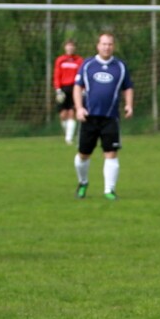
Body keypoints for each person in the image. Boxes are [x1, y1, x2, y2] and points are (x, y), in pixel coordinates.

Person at [72, 32, 134, 201]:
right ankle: (83, 182)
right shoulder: (88, 65)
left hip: (110, 117)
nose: (107, 47)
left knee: (111, 153)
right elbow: (77, 87)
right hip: (89, 117)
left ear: (113, 46)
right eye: (104, 44)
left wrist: (129, 104)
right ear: (98, 46)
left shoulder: (120, 66)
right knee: (83, 155)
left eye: (110, 44)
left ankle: (109, 190)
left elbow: (128, 87)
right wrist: (79, 108)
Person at [53, 39, 83, 144]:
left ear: (75, 48)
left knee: (71, 112)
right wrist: (58, 89)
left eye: (72, 46)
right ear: (65, 47)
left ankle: (69, 138)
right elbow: (57, 75)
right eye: (68, 46)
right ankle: (68, 133)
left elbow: (81, 75)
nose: (70, 48)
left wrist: (82, 89)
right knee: (62, 114)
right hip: (63, 88)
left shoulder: (79, 60)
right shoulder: (60, 60)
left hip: (75, 88)